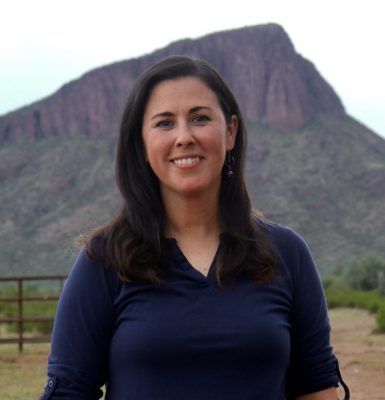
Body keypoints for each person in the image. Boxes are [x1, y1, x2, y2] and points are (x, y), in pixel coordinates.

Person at [39, 55, 349, 399]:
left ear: (230, 131)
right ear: (141, 143)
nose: (184, 137)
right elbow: (68, 391)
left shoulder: (286, 253)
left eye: (200, 118)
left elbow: (316, 386)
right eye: (164, 123)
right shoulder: (105, 260)